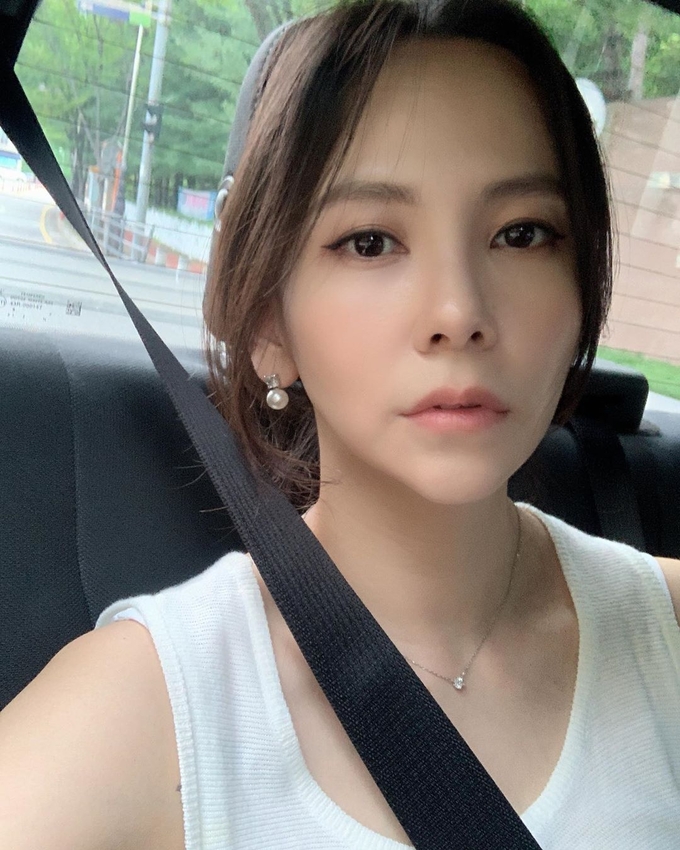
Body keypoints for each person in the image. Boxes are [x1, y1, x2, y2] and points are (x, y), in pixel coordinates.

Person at [1, 0, 679, 848]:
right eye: (369, 242)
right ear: (267, 324)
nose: (460, 312)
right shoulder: (144, 709)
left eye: (521, 233)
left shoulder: (666, 628)